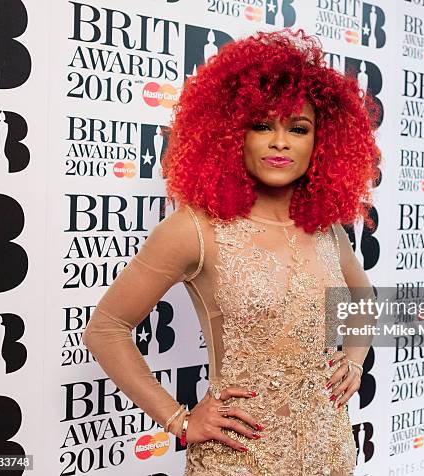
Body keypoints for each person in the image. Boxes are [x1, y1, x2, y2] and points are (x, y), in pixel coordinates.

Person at [82, 28, 381, 476]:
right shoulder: (194, 229)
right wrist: (178, 419)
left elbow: (365, 300)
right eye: (262, 125)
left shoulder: (327, 231)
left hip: (329, 451)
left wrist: (354, 361)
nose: (280, 142)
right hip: (239, 460)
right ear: (230, 134)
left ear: (322, 143)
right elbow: (106, 329)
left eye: (298, 129)